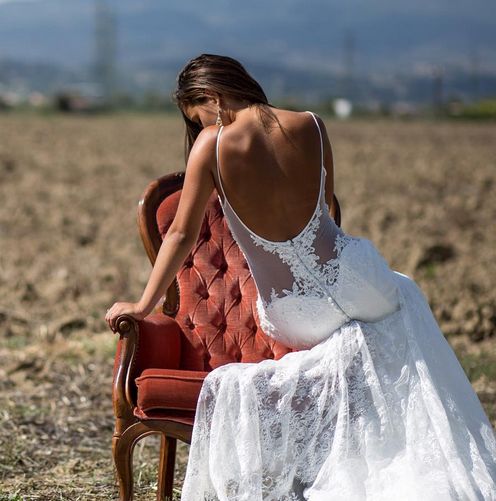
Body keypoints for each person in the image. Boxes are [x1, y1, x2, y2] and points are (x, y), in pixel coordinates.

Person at [105, 54, 496, 500]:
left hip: (292, 307)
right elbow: (327, 207)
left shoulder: (212, 145)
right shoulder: (310, 123)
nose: (206, 124)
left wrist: (141, 305)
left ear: (212, 97)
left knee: (362, 341)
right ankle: (410, 458)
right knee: (404, 305)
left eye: (202, 116)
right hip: (354, 275)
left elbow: (178, 233)